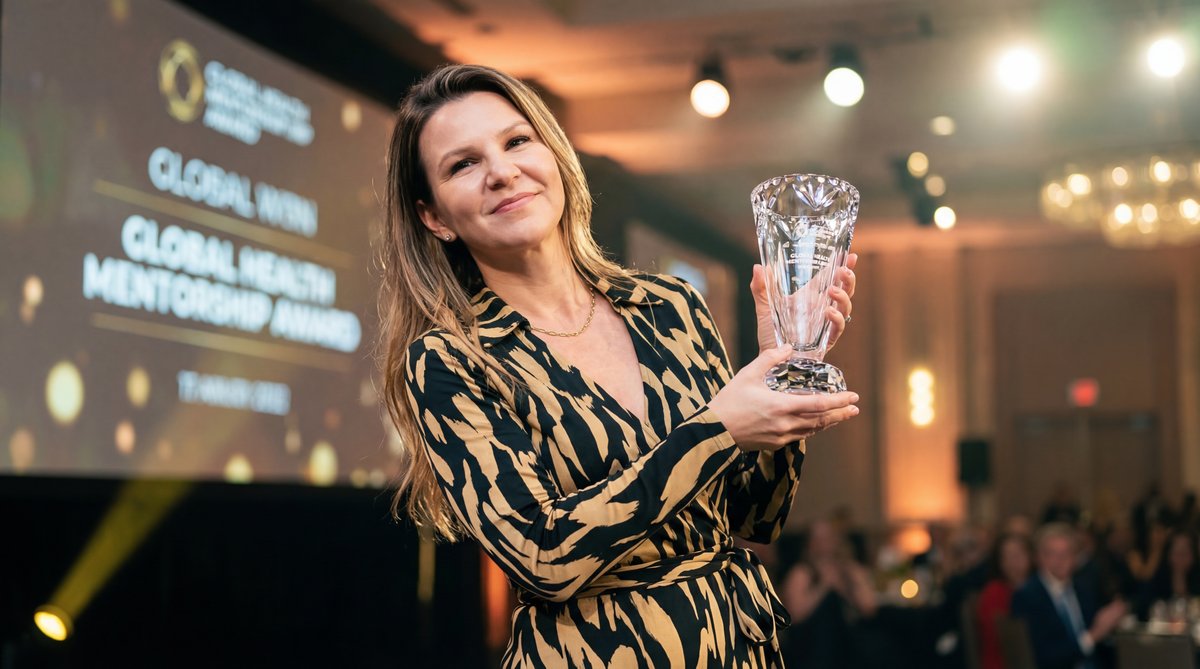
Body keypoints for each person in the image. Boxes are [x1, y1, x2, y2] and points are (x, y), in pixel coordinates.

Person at [377, 64, 861, 667]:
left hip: (735, 645)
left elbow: (753, 514)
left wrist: (782, 363)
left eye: (516, 141)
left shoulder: (669, 305)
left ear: (552, 154)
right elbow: (543, 556)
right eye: (463, 164)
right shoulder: (449, 360)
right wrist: (718, 430)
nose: (501, 172)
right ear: (434, 217)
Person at [1010, 523, 1126, 669]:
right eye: (1053, 554)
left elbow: (1102, 644)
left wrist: (1111, 624)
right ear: (1039, 557)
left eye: (1067, 553)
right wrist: (1093, 636)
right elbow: (1042, 657)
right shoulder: (1027, 596)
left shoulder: (1084, 589)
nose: (1061, 560)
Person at [780, 519, 879, 668]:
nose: (823, 544)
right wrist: (823, 585)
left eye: (828, 538)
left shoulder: (848, 570)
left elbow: (869, 608)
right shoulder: (801, 573)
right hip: (811, 652)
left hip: (848, 650)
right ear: (808, 544)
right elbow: (794, 615)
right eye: (817, 539)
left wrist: (847, 584)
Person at [975, 533, 1034, 669]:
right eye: (1007, 557)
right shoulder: (993, 593)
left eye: (1018, 555)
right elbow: (1002, 640)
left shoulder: (1037, 588)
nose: (1014, 563)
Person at [1137, 529, 1200, 619]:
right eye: (1176, 552)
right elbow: (1142, 610)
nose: (1180, 557)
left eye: (1185, 552)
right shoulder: (1157, 579)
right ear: (1168, 554)